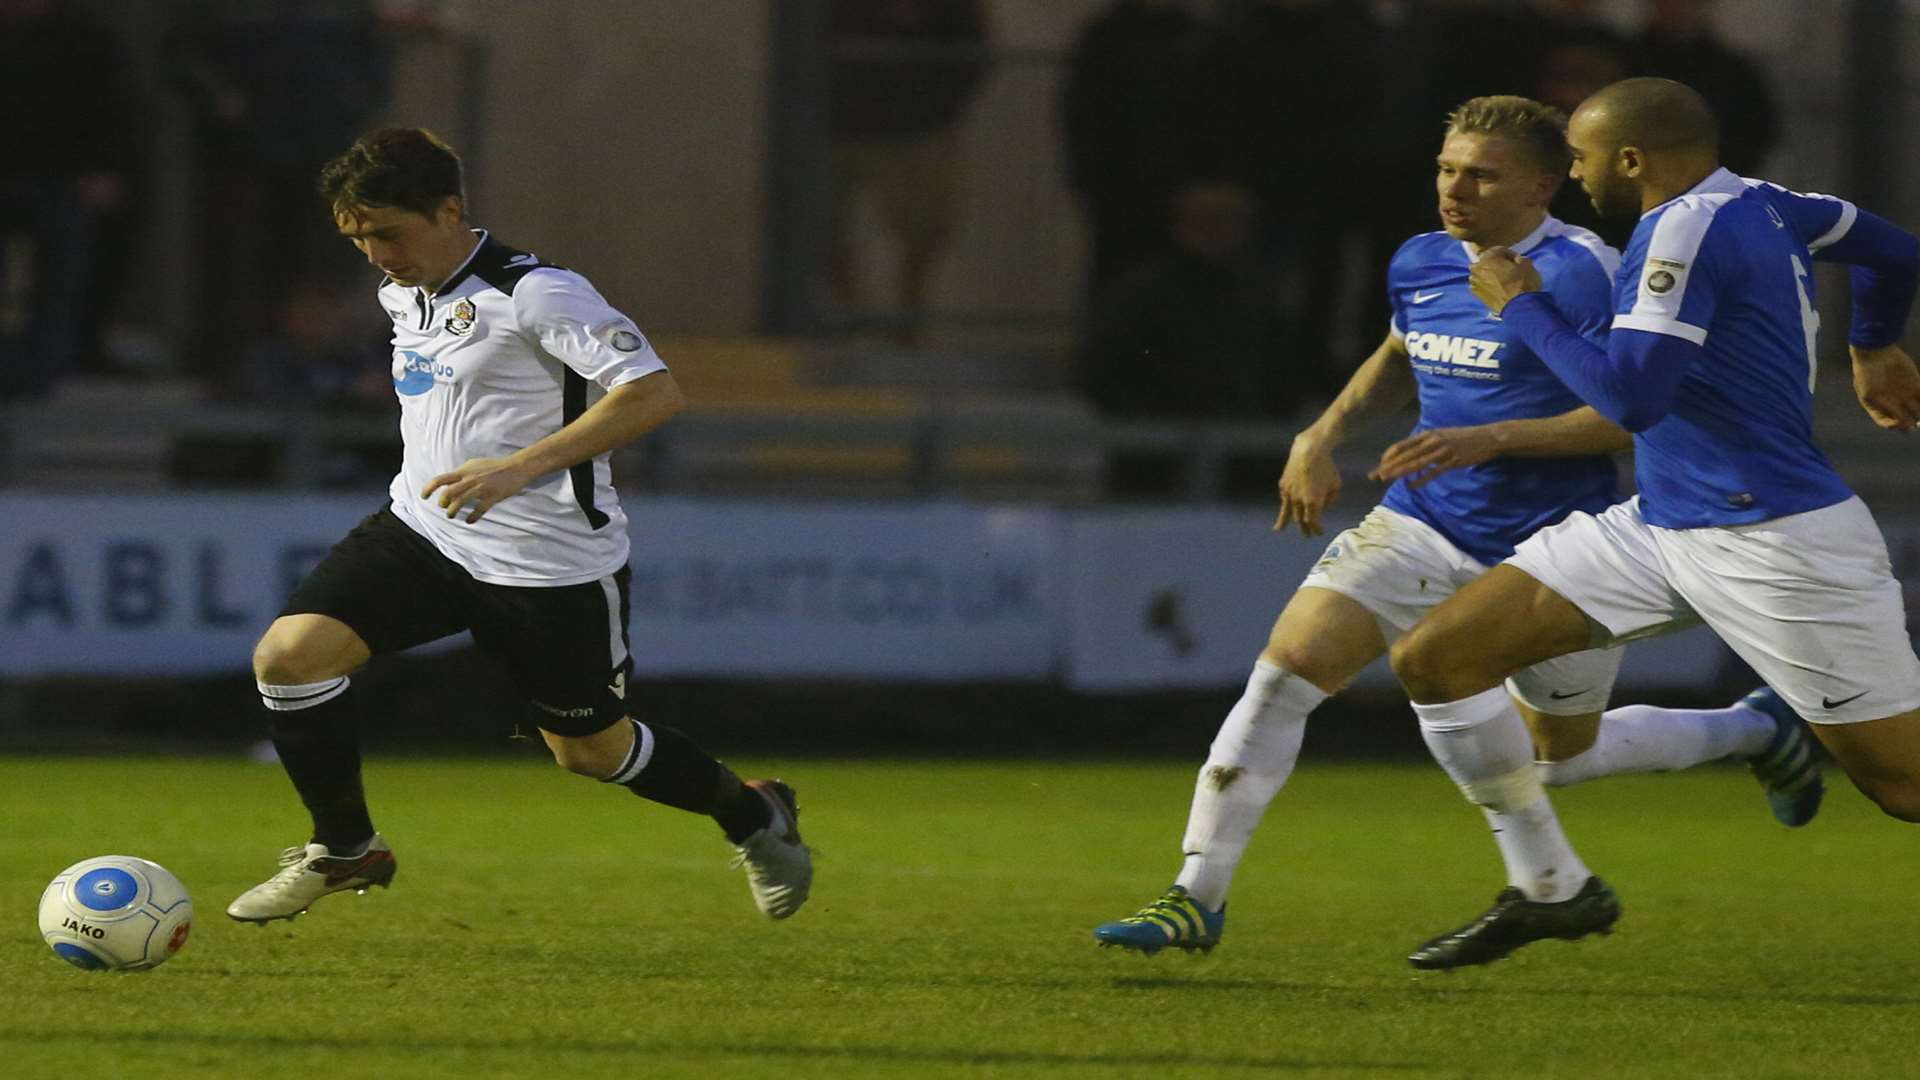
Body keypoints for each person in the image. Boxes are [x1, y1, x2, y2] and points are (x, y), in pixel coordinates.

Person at [1091, 95, 1822, 956]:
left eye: (1482, 174)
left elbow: (1635, 415)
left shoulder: (1590, 272)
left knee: (1561, 757)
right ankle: (1194, 895)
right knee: (1282, 680)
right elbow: (1402, 353)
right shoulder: (1422, 259)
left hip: (1554, 553)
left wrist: (1492, 438)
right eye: (1446, 169)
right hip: (1421, 524)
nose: (1455, 189)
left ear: (1545, 185)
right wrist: (1322, 434)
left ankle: (1754, 729)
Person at [1392, 77, 1920, 969]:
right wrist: (1873, 343)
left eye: (1587, 161)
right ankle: (1549, 889)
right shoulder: (1770, 201)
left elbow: (1633, 398)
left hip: (1773, 539)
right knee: (1438, 657)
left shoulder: (1677, 229)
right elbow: (1896, 249)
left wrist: (1518, 304)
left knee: (1903, 786)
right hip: (1657, 524)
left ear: (1631, 160)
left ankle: (1765, 737)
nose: (1578, 177)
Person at [226, 129, 813, 924]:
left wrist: (517, 468)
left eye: (388, 233)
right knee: (290, 657)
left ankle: (753, 813)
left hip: (547, 563)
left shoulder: (537, 292)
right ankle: (345, 847)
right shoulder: (401, 293)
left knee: (590, 752)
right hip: (426, 533)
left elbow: (654, 393)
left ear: (449, 210)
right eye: (358, 238)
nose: (375, 254)